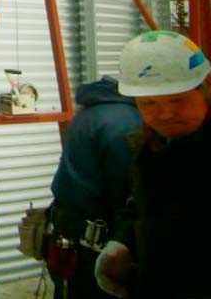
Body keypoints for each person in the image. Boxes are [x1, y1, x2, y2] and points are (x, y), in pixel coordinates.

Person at [94, 30, 211, 299]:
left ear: (204, 90)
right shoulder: (151, 149)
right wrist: (122, 241)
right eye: (149, 103)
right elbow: (142, 203)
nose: (166, 113)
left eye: (178, 99)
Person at [47, 75, 140, 299]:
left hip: (68, 231)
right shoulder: (126, 121)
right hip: (94, 244)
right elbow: (125, 192)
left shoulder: (91, 111)